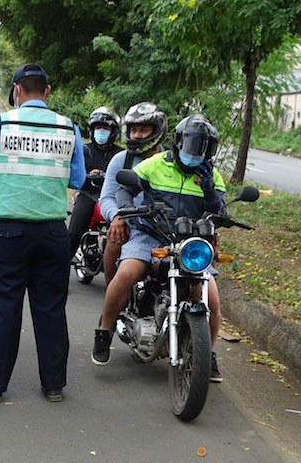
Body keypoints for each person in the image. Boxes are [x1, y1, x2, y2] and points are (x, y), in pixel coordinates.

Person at [0, 64, 85, 402]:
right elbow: (78, 179)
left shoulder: (0, 124)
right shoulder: (68, 128)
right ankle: (54, 386)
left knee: (2, 307)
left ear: (16, 90)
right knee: (51, 308)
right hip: (53, 231)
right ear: (48, 92)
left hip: (7, 232)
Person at [91, 113, 225, 383]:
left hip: (189, 243)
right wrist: (129, 210)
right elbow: (124, 190)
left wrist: (210, 192)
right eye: (190, 143)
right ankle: (104, 331)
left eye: (202, 146)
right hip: (151, 234)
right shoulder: (155, 164)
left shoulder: (212, 175)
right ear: (177, 142)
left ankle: (206, 353)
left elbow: (219, 210)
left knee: (210, 298)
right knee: (127, 273)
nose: (194, 151)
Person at [99, 102, 167, 286]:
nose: (137, 135)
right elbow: (106, 197)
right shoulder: (120, 160)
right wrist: (117, 216)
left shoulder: (170, 161)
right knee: (114, 236)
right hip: (130, 224)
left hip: (165, 228)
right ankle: (112, 300)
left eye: (143, 129)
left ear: (157, 130)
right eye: (133, 130)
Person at [68, 107, 123, 259]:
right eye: (97, 128)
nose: (101, 131)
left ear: (113, 131)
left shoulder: (121, 154)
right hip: (89, 195)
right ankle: (62, 266)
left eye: (105, 128)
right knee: (73, 233)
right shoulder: (84, 150)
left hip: (114, 198)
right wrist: (88, 175)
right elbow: (74, 174)